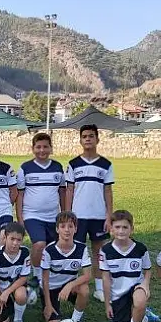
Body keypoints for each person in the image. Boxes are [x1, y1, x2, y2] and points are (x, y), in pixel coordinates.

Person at [65, 124, 114, 303]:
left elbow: (107, 191)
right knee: (75, 250)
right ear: (80, 140)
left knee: (98, 252)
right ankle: (72, 284)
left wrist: (109, 215)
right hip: (78, 217)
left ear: (97, 139)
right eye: (84, 136)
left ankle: (99, 289)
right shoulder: (73, 164)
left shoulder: (106, 164)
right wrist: (67, 214)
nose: (87, 139)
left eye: (91, 136)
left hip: (98, 216)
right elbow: (69, 190)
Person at [99, 210, 160, 322]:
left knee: (139, 300)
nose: (121, 231)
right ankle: (144, 315)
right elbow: (106, 278)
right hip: (118, 294)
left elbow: (147, 269)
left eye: (125, 227)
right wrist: (108, 304)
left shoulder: (140, 249)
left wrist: (145, 285)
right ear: (111, 228)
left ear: (132, 229)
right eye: (117, 227)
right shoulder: (106, 251)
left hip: (135, 287)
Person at [15, 132, 66, 296]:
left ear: (51, 148)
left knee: (52, 248)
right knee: (39, 244)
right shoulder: (25, 168)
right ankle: (36, 278)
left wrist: (64, 214)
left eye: (45, 147)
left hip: (53, 217)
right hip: (32, 215)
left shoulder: (57, 167)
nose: (42, 150)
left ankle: (52, 278)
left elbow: (62, 191)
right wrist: (20, 218)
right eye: (38, 147)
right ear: (33, 148)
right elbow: (20, 195)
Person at [41, 211, 91, 322]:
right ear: (57, 229)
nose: (67, 230)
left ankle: (75, 321)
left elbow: (88, 275)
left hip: (70, 286)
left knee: (84, 289)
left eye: (70, 226)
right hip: (51, 287)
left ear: (75, 229)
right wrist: (48, 305)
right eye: (63, 226)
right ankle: (48, 305)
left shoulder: (82, 248)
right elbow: (45, 280)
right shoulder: (49, 250)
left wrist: (69, 285)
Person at [0, 222, 31, 322]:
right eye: (12, 239)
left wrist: (7, 293)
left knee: (21, 295)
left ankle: (18, 320)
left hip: (16, 286)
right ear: (5, 237)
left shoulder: (25, 252)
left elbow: (23, 278)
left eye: (19, 240)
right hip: (0, 288)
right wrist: (0, 296)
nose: (15, 243)